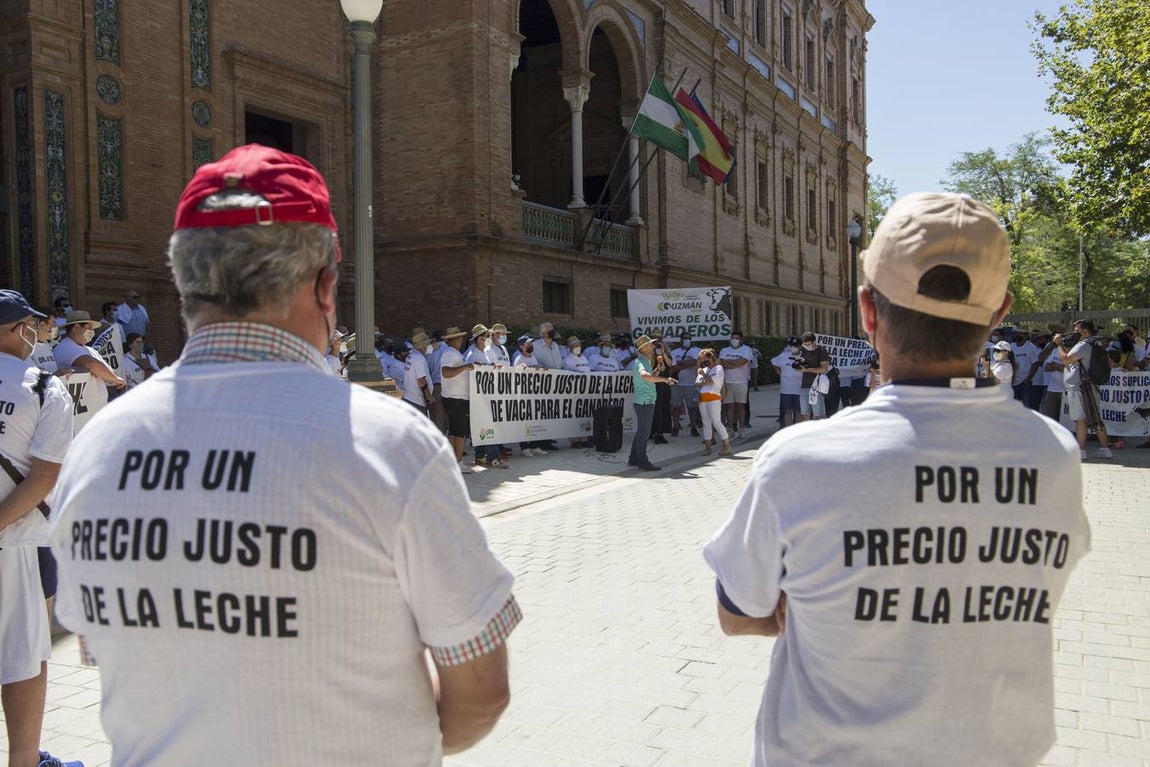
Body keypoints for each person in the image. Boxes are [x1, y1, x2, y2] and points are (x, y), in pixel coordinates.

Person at [49, 145, 518, 765]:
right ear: (324, 287)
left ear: (186, 283)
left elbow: (108, 651)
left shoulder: (95, 450)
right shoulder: (392, 445)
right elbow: (480, 693)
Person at [704, 192, 1090, 767]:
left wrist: (815, 602)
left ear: (868, 311)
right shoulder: (1055, 453)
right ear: (1000, 311)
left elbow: (738, 614)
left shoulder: (800, 460)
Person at [0, 290, 83, 767]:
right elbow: (45, 476)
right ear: (17, 330)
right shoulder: (40, 386)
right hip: (17, 542)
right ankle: (25, 760)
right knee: (24, 656)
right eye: (32, 325)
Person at [1055, 319, 1114, 460]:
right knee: (1095, 418)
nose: (1074, 333)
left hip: (1079, 387)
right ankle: (1105, 449)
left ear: (1084, 331)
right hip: (1089, 385)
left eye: (1076, 330)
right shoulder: (1095, 343)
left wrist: (1059, 344)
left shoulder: (1083, 345)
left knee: (1080, 420)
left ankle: (1080, 451)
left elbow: (1066, 359)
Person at [52, 311, 125, 407]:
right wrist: (114, 379)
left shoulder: (90, 350)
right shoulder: (65, 347)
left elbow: (108, 372)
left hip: (95, 408)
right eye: (89, 328)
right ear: (77, 327)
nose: (92, 332)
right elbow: (92, 364)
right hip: (77, 411)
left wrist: (108, 375)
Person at [628, 335, 674, 471]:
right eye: (650, 345)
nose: (653, 346)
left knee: (642, 432)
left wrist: (658, 370)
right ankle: (642, 461)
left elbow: (648, 376)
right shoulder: (642, 361)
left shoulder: (644, 361)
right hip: (644, 402)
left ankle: (634, 458)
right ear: (643, 348)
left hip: (644, 401)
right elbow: (644, 376)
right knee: (644, 433)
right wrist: (665, 380)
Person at [464, 324, 507, 470]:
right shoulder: (472, 355)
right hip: (479, 398)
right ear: (479, 339)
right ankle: (493, 458)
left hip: (485, 396)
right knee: (490, 427)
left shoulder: (484, 353)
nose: (488, 339)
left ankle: (480, 456)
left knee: (481, 427)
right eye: (486, 336)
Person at [438, 326, 477, 474]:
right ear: (455, 339)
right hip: (456, 398)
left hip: (454, 398)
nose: (461, 340)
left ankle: (454, 461)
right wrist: (465, 367)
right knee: (460, 433)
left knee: (455, 432)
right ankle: (458, 462)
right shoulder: (450, 354)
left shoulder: (452, 353)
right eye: (459, 337)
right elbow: (446, 372)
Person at [718, 330, 755, 436]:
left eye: (737, 338)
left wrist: (731, 363)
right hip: (727, 382)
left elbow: (743, 362)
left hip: (741, 382)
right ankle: (730, 429)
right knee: (729, 406)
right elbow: (723, 363)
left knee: (741, 406)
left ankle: (741, 428)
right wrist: (735, 363)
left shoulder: (746, 350)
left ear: (741, 339)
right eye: (733, 338)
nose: (734, 340)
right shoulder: (724, 350)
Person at [694, 348, 730, 456]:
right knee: (706, 423)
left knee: (716, 422)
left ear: (710, 358)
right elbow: (697, 383)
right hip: (702, 399)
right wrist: (706, 380)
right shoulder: (704, 370)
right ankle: (708, 448)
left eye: (703, 358)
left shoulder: (718, 368)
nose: (701, 361)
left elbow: (712, 381)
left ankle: (726, 446)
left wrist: (704, 379)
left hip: (713, 398)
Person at [669, 332, 701, 438]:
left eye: (689, 338)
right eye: (685, 338)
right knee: (676, 407)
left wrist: (680, 364)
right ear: (681, 339)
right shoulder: (674, 352)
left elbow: (694, 362)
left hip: (691, 383)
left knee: (692, 408)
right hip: (677, 383)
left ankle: (693, 427)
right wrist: (687, 363)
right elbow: (672, 367)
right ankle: (675, 426)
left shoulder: (696, 351)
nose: (687, 340)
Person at [794, 331, 829, 422]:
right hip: (804, 386)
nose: (806, 345)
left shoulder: (821, 351)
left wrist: (807, 370)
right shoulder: (803, 351)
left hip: (816, 387)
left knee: (818, 414)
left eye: (808, 343)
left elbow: (824, 369)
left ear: (813, 342)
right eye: (804, 343)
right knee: (805, 413)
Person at [770, 337, 803, 430]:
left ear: (800, 346)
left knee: (798, 411)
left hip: (800, 389)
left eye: (796, 346)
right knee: (788, 410)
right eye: (792, 346)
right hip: (786, 389)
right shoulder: (784, 355)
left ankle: (797, 431)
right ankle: (788, 430)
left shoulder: (805, 356)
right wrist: (780, 373)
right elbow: (773, 362)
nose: (794, 348)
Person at [401, 330, 434, 415]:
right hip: (417, 400)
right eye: (427, 344)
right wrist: (429, 396)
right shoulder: (419, 358)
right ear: (423, 346)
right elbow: (421, 381)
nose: (429, 346)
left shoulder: (411, 356)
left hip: (409, 397)